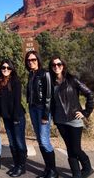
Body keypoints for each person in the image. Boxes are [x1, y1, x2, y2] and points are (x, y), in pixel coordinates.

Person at [49, 56, 94, 178]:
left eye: (59, 64)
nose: (56, 67)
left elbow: (90, 94)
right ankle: (76, 173)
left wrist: (85, 112)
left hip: (74, 119)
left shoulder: (72, 79)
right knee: (70, 147)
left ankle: (87, 167)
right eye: (53, 65)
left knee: (75, 148)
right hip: (60, 120)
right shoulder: (51, 82)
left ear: (63, 65)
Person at [25, 50, 58, 178]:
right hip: (33, 108)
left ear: (38, 60)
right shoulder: (31, 74)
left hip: (42, 110)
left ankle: (53, 171)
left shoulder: (45, 74)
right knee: (39, 140)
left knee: (44, 140)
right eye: (29, 60)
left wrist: (45, 115)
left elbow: (49, 96)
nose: (31, 62)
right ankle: (48, 169)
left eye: (33, 60)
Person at [0, 59, 27, 177]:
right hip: (6, 117)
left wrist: (15, 118)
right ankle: (16, 164)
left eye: (8, 68)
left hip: (16, 116)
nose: (5, 70)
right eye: (3, 68)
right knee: (12, 142)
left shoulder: (15, 82)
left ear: (11, 69)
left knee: (19, 142)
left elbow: (17, 101)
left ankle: (22, 166)